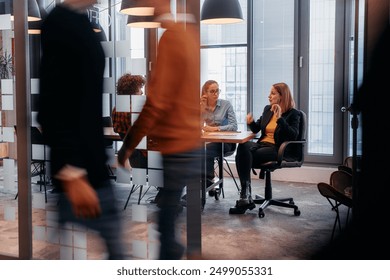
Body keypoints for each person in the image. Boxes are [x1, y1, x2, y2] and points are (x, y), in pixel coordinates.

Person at [37, 0, 126, 259]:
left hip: (91, 162)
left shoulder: (84, 21)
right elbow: (52, 102)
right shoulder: (59, 23)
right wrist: (71, 170)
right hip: (79, 168)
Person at [117, 1, 202, 260]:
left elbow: (157, 103)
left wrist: (128, 145)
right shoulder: (189, 36)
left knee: (166, 220)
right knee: (171, 212)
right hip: (191, 140)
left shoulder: (170, 39)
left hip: (175, 144)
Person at [229, 82, 300, 214]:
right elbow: (257, 129)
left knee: (244, 155)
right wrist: (250, 122)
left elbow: (293, 135)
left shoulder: (293, 114)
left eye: (273, 93)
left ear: (282, 96)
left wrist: (280, 119)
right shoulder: (268, 109)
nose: (269, 96)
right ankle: (246, 194)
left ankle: (245, 196)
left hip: (277, 148)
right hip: (262, 145)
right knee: (243, 146)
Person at [200, 80, 238, 195]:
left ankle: (208, 181)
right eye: (212, 91)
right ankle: (202, 182)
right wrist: (201, 110)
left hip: (226, 143)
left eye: (217, 91)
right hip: (209, 142)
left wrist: (216, 129)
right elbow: (197, 126)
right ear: (205, 93)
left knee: (206, 150)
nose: (216, 94)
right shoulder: (202, 106)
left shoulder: (226, 105)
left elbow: (234, 126)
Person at [111, 73, 148, 168]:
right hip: (147, 157)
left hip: (134, 157)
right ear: (133, 91)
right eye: (140, 89)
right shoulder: (136, 110)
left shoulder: (116, 109)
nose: (142, 92)